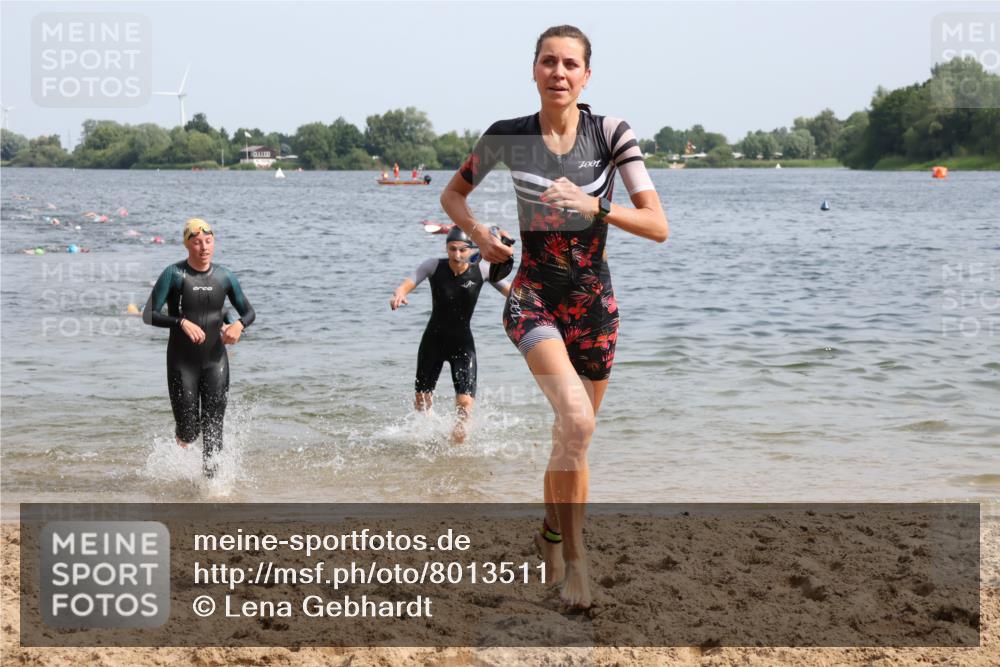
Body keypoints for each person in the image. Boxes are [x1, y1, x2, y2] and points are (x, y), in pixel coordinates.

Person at [439, 25, 669, 608]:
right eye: (548, 62)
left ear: (586, 75)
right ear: (534, 71)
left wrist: (598, 205)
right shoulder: (506, 138)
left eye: (570, 64)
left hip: (595, 307)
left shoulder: (612, 134)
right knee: (578, 421)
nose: (559, 73)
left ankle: (548, 533)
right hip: (533, 297)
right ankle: (576, 563)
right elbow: (452, 197)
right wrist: (480, 236)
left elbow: (657, 225)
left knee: (572, 440)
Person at [144, 218, 256, 477]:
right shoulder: (173, 274)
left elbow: (249, 312)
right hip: (182, 363)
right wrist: (180, 321)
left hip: (216, 361)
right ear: (187, 245)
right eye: (197, 242)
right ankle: (181, 441)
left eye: (208, 241)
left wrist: (238, 325)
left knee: (214, 427)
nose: (204, 247)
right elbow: (149, 314)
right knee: (189, 431)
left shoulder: (224, 276)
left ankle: (211, 488)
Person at [390, 227, 511, 444]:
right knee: (422, 400)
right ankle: (425, 441)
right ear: (446, 248)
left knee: (465, 404)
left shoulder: (482, 269)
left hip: (462, 344)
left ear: (471, 250)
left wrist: (534, 304)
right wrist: (400, 293)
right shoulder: (434, 266)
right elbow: (409, 282)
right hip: (433, 341)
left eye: (462, 250)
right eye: (452, 249)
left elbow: (510, 291)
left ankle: (457, 449)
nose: (456, 254)